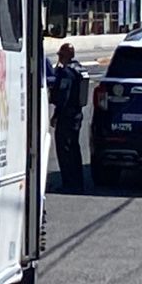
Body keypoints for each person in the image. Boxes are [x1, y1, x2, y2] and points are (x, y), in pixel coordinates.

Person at [51, 43, 88, 193]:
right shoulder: (79, 68)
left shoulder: (67, 72)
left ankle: (69, 183)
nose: (59, 58)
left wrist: (56, 115)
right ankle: (77, 182)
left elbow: (63, 96)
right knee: (74, 149)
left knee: (65, 151)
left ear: (66, 56)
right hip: (77, 115)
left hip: (67, 116)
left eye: (61, 55)